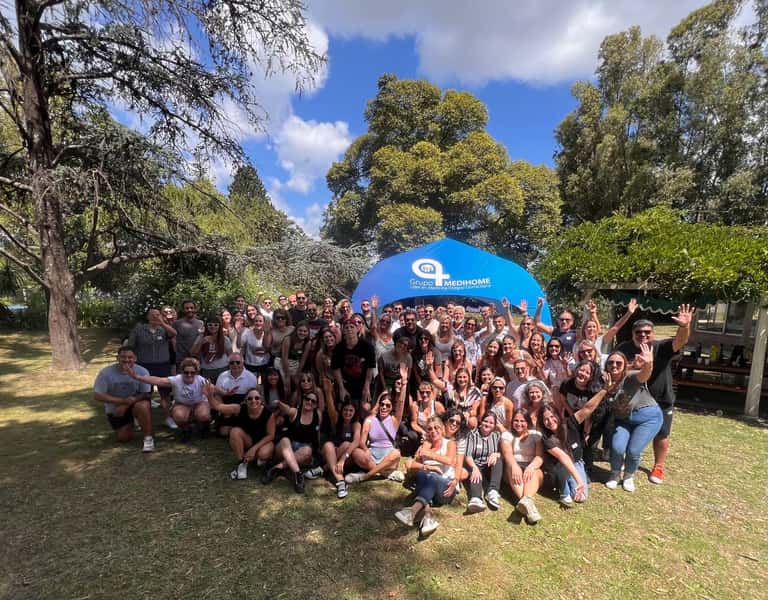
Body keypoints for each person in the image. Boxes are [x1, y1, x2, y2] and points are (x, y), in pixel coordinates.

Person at [614, 305, 693, 485]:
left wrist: (684, 327)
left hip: (661, 399)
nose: (643, 335)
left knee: (662, 434)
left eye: (647, 332)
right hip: (633, 400)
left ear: (653, 334)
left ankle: (658, 466)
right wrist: (633, 365)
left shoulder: (661, 347)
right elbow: (616, 368)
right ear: (633, 334)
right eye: (639, 332)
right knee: (629, 430)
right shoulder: (624, 348)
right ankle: (627, 461)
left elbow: (680, 341)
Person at [539, 379, 610, 506]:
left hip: (576, 462)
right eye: (546, 419)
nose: (550, 421)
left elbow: (588, 408)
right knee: (563, 472)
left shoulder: (570, 422)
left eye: (552, 416)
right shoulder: (546, 438)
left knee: (581, 497)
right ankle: (562, 487)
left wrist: (604, 390)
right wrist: (579, 481)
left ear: (557, 415)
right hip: (559, 465)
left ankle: (571, 481)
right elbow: (564, 458)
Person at [603, 345, 659, 492]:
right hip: (624, 420)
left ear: (624, 365)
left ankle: (628, 476)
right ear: (606, 365)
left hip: (647, 418)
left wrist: (649, 364)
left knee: (634, 451)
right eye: (611, 362)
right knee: (617, 447)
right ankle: (615, 474)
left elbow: (644, 374)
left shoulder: (630, 377)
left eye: (618, 363)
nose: (614, 365)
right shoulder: (603, 380)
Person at [345, 364, 408, 485]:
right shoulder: (369, 420)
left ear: (391, 408)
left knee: (396, 453)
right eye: (382, 404)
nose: (384, 407)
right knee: (356, 452)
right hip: (372, 454)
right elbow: (362, 442)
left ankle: (365, 476)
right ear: (379, 405)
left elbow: (401, 402)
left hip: (388, 456)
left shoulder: (394, 420)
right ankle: (385, 473)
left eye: (388, 405)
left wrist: (404, 383)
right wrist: (365, 449)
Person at [396, 416, 457, 536]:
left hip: (445, 488)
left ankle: (412, 511)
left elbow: (449, 460)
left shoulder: (450, 443)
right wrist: (427, 467)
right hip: (428, 488)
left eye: (436, 428)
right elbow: (411, 464)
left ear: (442, 429)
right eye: (430, 429)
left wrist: (429, 454)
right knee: (422, 474)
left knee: (432, 477)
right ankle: (428, 518)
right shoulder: (425, 445)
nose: (433, 431)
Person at [130, 357, 213, 442]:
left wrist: (220, 394)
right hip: (182, 404)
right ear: (182, 372)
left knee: (203, 415)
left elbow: (215, 389)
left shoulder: (201, 380)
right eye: (186, 372)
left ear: (196, 372)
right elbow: (158, 380)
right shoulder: (176, 379)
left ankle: (205, 428)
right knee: (179, 416)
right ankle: (186, 430)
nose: (189, 375)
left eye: (192, 372)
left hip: (199, 403)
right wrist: (137, 377)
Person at [93, 346, 155, 452]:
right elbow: (97, 395)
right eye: (123, 357)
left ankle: (148, 438)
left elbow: (146, 394)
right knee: (123, 438)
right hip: (116, 408)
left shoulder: (142, 371)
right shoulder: (105, 373)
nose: (126, 360)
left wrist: (126, 404)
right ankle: (133, 423)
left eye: (130, 357)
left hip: (135, 403)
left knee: (143, 405)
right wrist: (121, 402)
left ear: (135, 358)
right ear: (117, 358)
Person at [126, 307, 178, 429]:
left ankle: (168, 418)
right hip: (144, 365)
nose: (155, 316)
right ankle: (138, 418)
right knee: (143, 394)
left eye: (157, 314)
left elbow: (174, 333)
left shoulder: (163, 329)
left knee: (165, 394)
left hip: (162, 365)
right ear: (147, 317)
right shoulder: (138, 330)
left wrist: (162, 323)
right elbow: (130, 346)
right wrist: (130, 362)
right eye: (152, 314)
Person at [261, 391, 322, 493]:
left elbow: (317, 431)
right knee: (285, 440)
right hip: (287, 447)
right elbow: (287, 409)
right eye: (307, 399)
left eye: (313, 401)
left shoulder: (318, 415)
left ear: (316, 405)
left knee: (307, 450)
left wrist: (317, 449)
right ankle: (298, 474)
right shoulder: (295, 412)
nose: (309, 402)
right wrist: (279, 403)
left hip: (303, 451)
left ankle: (277, 468)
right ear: (303, 400)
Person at [211, 387, 276, 480]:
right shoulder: (239, 408)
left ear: (261, 400)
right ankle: (241, 463)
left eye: (257, 398)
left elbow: (271, 435)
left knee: (263, 454)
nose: (253, 401)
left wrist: (254, 449)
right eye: (250, 398)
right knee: (235, 431)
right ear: (245, 401)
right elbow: (218, 407)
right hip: (248, 440)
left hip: (263, 442)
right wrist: (209, 396)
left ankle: (258, 458)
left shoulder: (269, 414)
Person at [500, 408, 544, 524]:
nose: (519, 424)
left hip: (531, 465)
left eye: (522, 421)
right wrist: (514, 466)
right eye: (516, 420)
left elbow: (539, 457)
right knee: (511, 469)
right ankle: (529, 506)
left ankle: (525, 503)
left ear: (527, 422)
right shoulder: (507, 435)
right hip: (513, 466)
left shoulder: (536, 435)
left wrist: (531, 467)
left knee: (536, 472)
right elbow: (508, 454)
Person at [316, 400, 361, 498]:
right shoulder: (336, 420)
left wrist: (343, 459)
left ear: (355, 412)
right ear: (341, 410)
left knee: (346, 444)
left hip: (346, 459)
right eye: (345, 410)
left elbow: (356, 442)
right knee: (328, 445)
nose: (348, 412)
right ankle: (340, 481)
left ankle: (324, 468)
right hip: (332, 453)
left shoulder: (356, 424)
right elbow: (330, 403)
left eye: (351, 410)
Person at [332, 317, 375, 414]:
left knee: (366, 408)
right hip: (346, 384)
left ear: (357, 329)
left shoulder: (367, 346)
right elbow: (336, 368)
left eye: (352, 327)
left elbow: (370, 367)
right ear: (343, 331)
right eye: (346, 327)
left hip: (364, 382)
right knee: (343, 409)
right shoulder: (338, 348)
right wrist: (341, 388)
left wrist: (366, 387)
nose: (349, 329)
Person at [464, 412, 503, 513]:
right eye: (485, 421)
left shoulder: (497, 436)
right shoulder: (472, 435)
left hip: (489, 466)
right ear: (481, 422)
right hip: (475, 464)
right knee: (475, 473)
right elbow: (468, 455)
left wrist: (497, 454)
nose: (487, 424)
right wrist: (474, 468)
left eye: (491, 423)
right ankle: (476, 498)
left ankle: (492, 492)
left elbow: (505, 452)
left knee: (498, 461)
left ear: (494, 425)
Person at [213, 353, 258, 436]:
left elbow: (253, 397)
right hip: (227, 406)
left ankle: (237, 428)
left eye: (238, 362)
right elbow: (217, 394)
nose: (235, 365)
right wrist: (224, 409)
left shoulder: (251, 377)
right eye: (232, 363)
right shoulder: (222, 376)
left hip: (243, 406)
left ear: (243, 363)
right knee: (223, 432)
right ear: (228, 364)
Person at [191, 315, 232, 382]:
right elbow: (193, 353)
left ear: (219, 326)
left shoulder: (225, 339)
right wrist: (202, 342)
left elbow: (230, 355)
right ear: (206, 326)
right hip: (206, 370)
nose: (213, 327)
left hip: (222, 368)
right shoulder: (201, 337)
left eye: (216, 325)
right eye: (210, 325)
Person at [281, 320, 311, 395]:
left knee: (297, 382)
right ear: (296, 330)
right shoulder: (288, 339)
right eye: (300, 330)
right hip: (283, 362)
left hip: (296, 363)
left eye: (305, 331)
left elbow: (303, 359)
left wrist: (298, 373)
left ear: (308, 332)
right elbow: (284, 358)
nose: (302, 333)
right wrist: (287, 375)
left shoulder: (308, 342)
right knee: (286, 385)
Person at [239, 312, 272, 379]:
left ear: (264, 322)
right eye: (256, 321)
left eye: (260, 321)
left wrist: (266, 332)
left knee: (264, 381)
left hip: (265, 362)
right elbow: (241, 347)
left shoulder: (267, 333)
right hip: (250, 363)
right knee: (252, 382)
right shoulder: (247, 333)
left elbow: (268, 347)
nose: (258, 323)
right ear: (253, 322)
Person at [173, 300, 204, 369]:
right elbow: (173, 340)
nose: (189, 310)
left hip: (197, 359)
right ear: (183, 310)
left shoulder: (200, 323)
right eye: (187, 308)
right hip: (182, 359)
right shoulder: (177, 323)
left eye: (191, 308)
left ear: (195, 309)